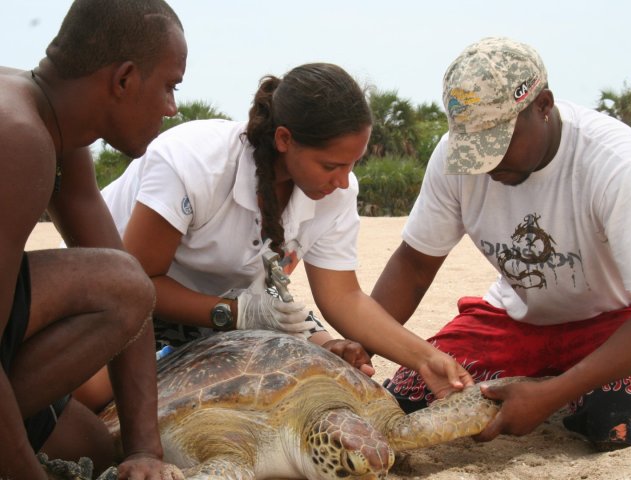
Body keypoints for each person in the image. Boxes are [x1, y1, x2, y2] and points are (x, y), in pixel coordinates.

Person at [76, 62, 474, 412]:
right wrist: (238, 316)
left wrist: (425, 359)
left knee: (326, 370)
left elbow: (344, 297)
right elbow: (139, 282)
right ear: (284, 139)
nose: (342, 181)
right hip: (123, 292)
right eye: (331, 165)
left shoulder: (335, 191)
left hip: (231, 302)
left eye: (353, 164)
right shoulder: (194, 162)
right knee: (92, 391)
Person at [373, 36, 631, 451]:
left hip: (615, 322)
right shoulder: (453, 159)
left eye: (497, 143)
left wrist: (553, 395)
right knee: (406, 398)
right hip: (515, 321)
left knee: (616, 423)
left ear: (543, 105)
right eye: (472, 149)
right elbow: (414, 265)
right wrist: (363, 347)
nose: (485, 164)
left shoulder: (618, 165)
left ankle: (562, 385)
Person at [0, 0, 188, 478]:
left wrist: (145, 450)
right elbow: (124, 285)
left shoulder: (55, 128)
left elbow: (132, 297)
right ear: (124, 79)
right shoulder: (19, 139)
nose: (172, 107)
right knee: (121, 284)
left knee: (95, 451)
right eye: (169, 86)